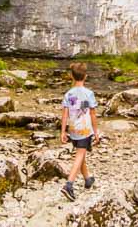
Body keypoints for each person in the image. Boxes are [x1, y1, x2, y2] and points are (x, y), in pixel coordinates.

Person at [60, 62, 100, 201]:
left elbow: (65, 115)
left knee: (81, 153)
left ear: (71, 76)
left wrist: (63, 132)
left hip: (73, 129)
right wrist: (96, 132)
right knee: (79, 155)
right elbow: (92, 114)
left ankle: (87, 179)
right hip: (85, 129)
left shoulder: (68, 94)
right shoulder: (89, 94)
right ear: (85, 76)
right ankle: (69, 185)